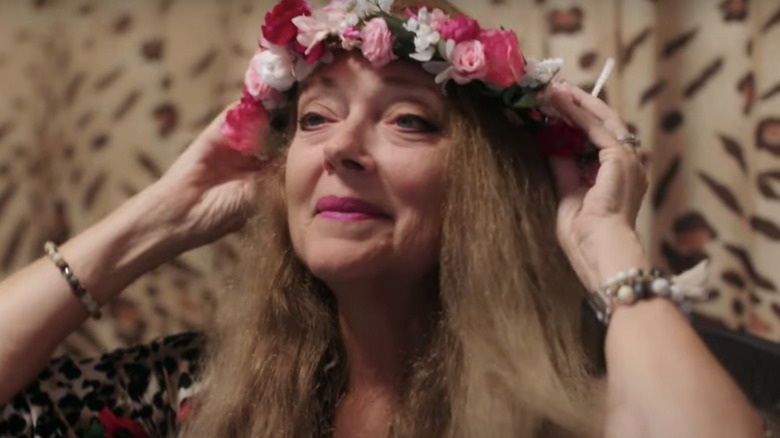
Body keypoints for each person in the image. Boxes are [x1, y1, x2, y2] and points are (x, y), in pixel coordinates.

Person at [0, 0, 766, 437]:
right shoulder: (203, 400)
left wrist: (607, 245)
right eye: (313, 117)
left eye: (407, 119)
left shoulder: (572, 412)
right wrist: (158, 219)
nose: (341, 150)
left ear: (485, 188)